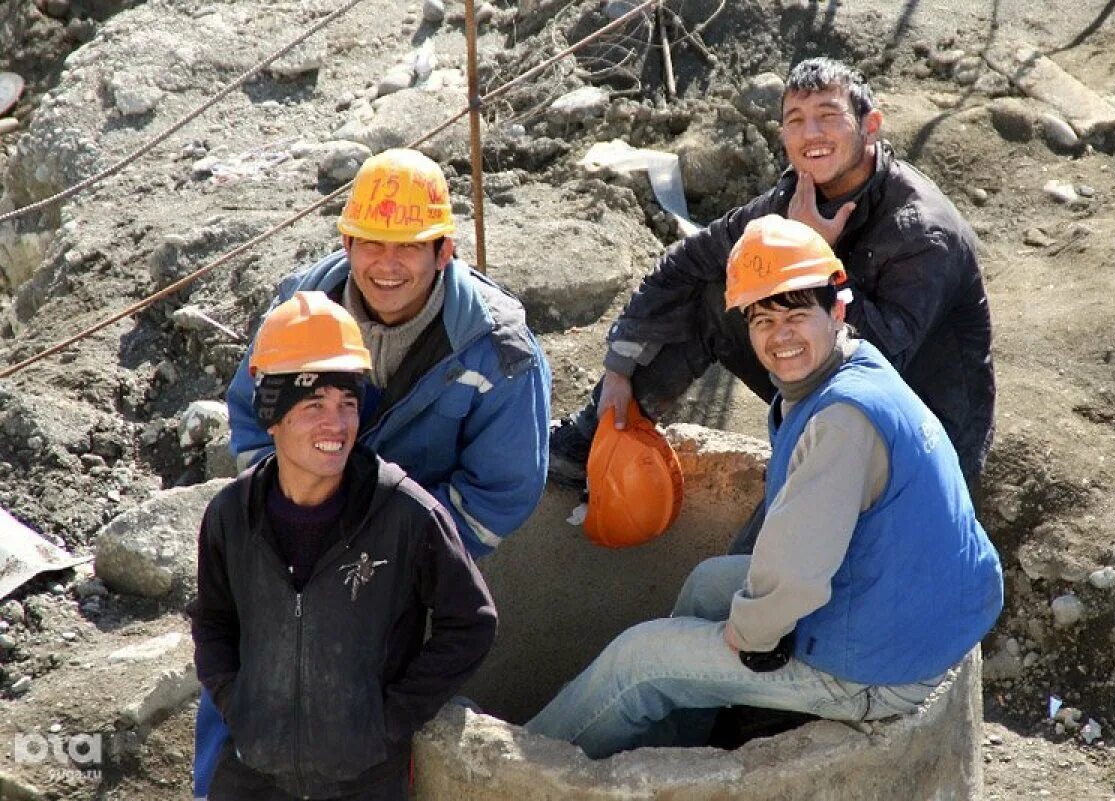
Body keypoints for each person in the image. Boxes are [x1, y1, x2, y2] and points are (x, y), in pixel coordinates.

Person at [525, 216, 1003, 759]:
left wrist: (751, 636)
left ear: (837, 309)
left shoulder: (842, 422)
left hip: (884, 665)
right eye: (762, 319)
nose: (779, 337)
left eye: (797, 313)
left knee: (637, 664)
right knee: (709, 584)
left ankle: (522, 770)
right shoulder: (857, 367)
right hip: (899, 604)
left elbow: (794, 574)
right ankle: (674, 749)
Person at [195, 147, 550, 798]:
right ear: (349, 241)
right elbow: (250, 417)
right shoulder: (302, 306)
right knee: (249, 679)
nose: (387, 265)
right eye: (371, 244)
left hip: (411, 545)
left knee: (374, 709)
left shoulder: (497, 346)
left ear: (443, 250)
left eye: (409, 247)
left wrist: (401, 546)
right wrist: (286, 508)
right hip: (295, 521)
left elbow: (502, 491)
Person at [549, 56, 995, 501]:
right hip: (830, 395)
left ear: (870, 124)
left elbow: (880, 366)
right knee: (716, 294)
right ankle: (602, 437)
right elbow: (688, 261)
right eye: (795, 121)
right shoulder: (798, 195)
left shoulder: (921, 231)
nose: (811, 135)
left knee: (764, 562)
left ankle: (800, 474)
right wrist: (619, 366)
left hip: (921, 440)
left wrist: (814, 252)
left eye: (828, 116)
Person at [188, 291, 496, 799]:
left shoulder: (405, 514)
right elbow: (213, 621)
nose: (336, 424)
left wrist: (387, 721)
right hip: (252, 776)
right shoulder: (231, 515)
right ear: (274, 416)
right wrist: (238, 704)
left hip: (366, 781)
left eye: (347, 403)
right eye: (314, 405)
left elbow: (471, 624)